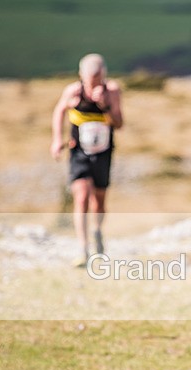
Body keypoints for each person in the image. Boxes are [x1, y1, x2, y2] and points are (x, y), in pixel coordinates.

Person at [51, 53, 123, 267]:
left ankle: (97, 231)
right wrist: (56, 139)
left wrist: (105, 105)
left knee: (99, 201)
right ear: (81, 76)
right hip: (78, 151)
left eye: (97, 80)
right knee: (81, 196)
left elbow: (119, 123)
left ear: (103, 76)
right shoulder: (73, 91)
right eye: (90, 81)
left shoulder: (112, 91)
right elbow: (59, 111)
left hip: (103, 152)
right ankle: (83, 249)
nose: (93, 86)